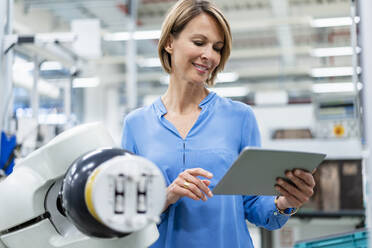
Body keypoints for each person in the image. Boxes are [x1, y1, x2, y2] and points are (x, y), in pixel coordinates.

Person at [121, 0, 316, 247]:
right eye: (199, 43)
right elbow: (126, 213)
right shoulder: (136, 125)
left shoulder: (240, 117)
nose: (209, 55)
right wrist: (166, 196)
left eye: (218, 47)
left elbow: (255, 205)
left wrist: (286, 202)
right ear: (170, 42)